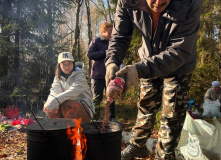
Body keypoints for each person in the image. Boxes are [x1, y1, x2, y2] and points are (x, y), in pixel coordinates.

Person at [105, 0, 203, 159]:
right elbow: (120, 36)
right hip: (148, 60)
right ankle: (137, 145)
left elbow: (181, 50)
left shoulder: (191, 3)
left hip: (179, 65)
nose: (158, 2)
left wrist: (138, 69)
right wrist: (111, 62)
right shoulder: (128, 2)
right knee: (145, 106)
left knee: (171, 115)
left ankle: (165, 154)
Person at [43, 52, 95, 124]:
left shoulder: (80, 75)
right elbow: (54, 92)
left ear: (73, 64)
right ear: (59, 65)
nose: (67, 67)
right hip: (67, 112)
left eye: (69, 63)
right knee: (50, 107)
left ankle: (73, 132)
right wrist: (50, 104)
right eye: (63, 64)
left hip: (85, 111)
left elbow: (74, 91)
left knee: (67, 104)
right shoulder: (58, 78)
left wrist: (55, 101)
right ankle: (60, 130)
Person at [87, 22, 118, 122]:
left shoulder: (113, 42)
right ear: (103, 31)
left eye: (113, 31)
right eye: (110, 31)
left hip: (110, 75)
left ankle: (112, 118)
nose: (112, 33)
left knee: (111, 97)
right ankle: (94, 119)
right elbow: (90, 54)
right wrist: (105, 52)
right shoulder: (96, 41)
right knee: (97, 99)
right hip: (97, 76)